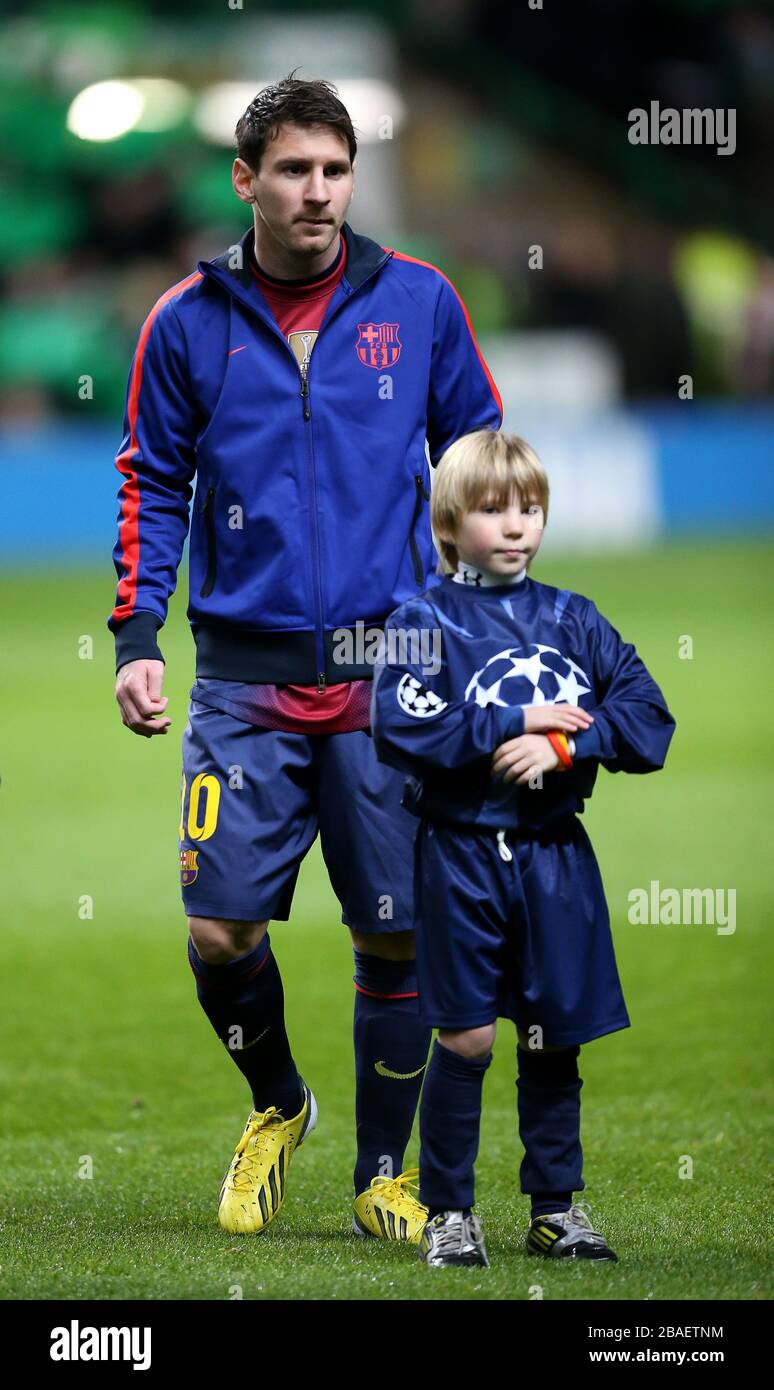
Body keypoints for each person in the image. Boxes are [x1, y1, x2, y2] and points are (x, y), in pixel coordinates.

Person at [107, 74, 502, 1242]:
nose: (319, 190)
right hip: (243, 681)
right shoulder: (185, 320)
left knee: (392, 930)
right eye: (294, 169)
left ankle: (383, 1170)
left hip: (391, 673)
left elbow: (480, 463)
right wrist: (137, 635)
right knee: (221, 929)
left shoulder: (420, 302)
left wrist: (483, 624)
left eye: (335, 169)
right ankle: (278, 1101)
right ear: (248, 181)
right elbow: (151, 480)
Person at [370, 429, 676, 1267]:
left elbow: (651, 719)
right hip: (460, 854)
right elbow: (398, 727)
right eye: (494, 509)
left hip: (555, 855)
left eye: (531, 509)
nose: (517, 527)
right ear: (449, 522)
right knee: (467, 1039)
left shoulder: (575, 618)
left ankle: (555, 1208)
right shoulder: (416, 621)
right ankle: (450, 1214)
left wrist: (568, 748)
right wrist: (515, 720)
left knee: (554, 1035)